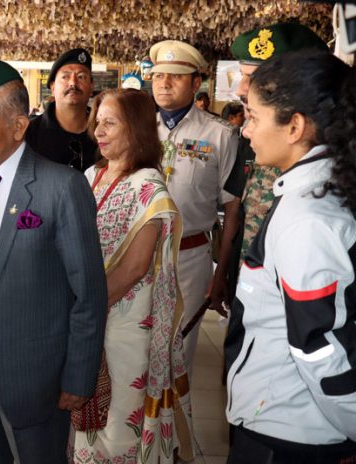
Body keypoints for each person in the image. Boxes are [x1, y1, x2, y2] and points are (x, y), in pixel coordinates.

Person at [0, 58, 108, 463]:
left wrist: (78, 375)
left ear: (18, 126)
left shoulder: (62, 187)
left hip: (36, 374)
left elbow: (89, 292)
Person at [225, 50, 356, 464]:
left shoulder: (308, 221)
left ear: (294, 126)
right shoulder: (312, 193)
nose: (246, 131)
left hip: (290, 434)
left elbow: (319, 347)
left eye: (256, 118)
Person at [68, 89, 193, 463]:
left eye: (110, 123)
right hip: (87, 315)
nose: (99, 132)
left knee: (118, 417)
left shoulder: (149, 187)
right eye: (97, 123)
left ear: (136, 129)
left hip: (125, 322)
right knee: (84, 414)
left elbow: (134, 267)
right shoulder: (91, 175)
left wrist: (83, 311)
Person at [150, 40, 239, 373]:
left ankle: (174, 426)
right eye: (158, 76)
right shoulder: (138, 126)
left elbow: (232, 210)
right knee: (133, 352)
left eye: (175, 76)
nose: (164, 84)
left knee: (178, 357)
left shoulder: (220, 134)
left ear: (195, 82)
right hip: (139, 257)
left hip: (189, 259)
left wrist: (221, 274)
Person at [221, 23, 329, 299]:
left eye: (255, 78)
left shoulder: (322, 200)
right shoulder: (257, 138)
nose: (242, 90)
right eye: (243, 76)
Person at [25, 48, 98, 172]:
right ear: (53, 88)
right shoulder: (29, 133)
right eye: (65, 77)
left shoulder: (105, 132)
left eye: (81, 77)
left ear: (91, 87)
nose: (73, 83)